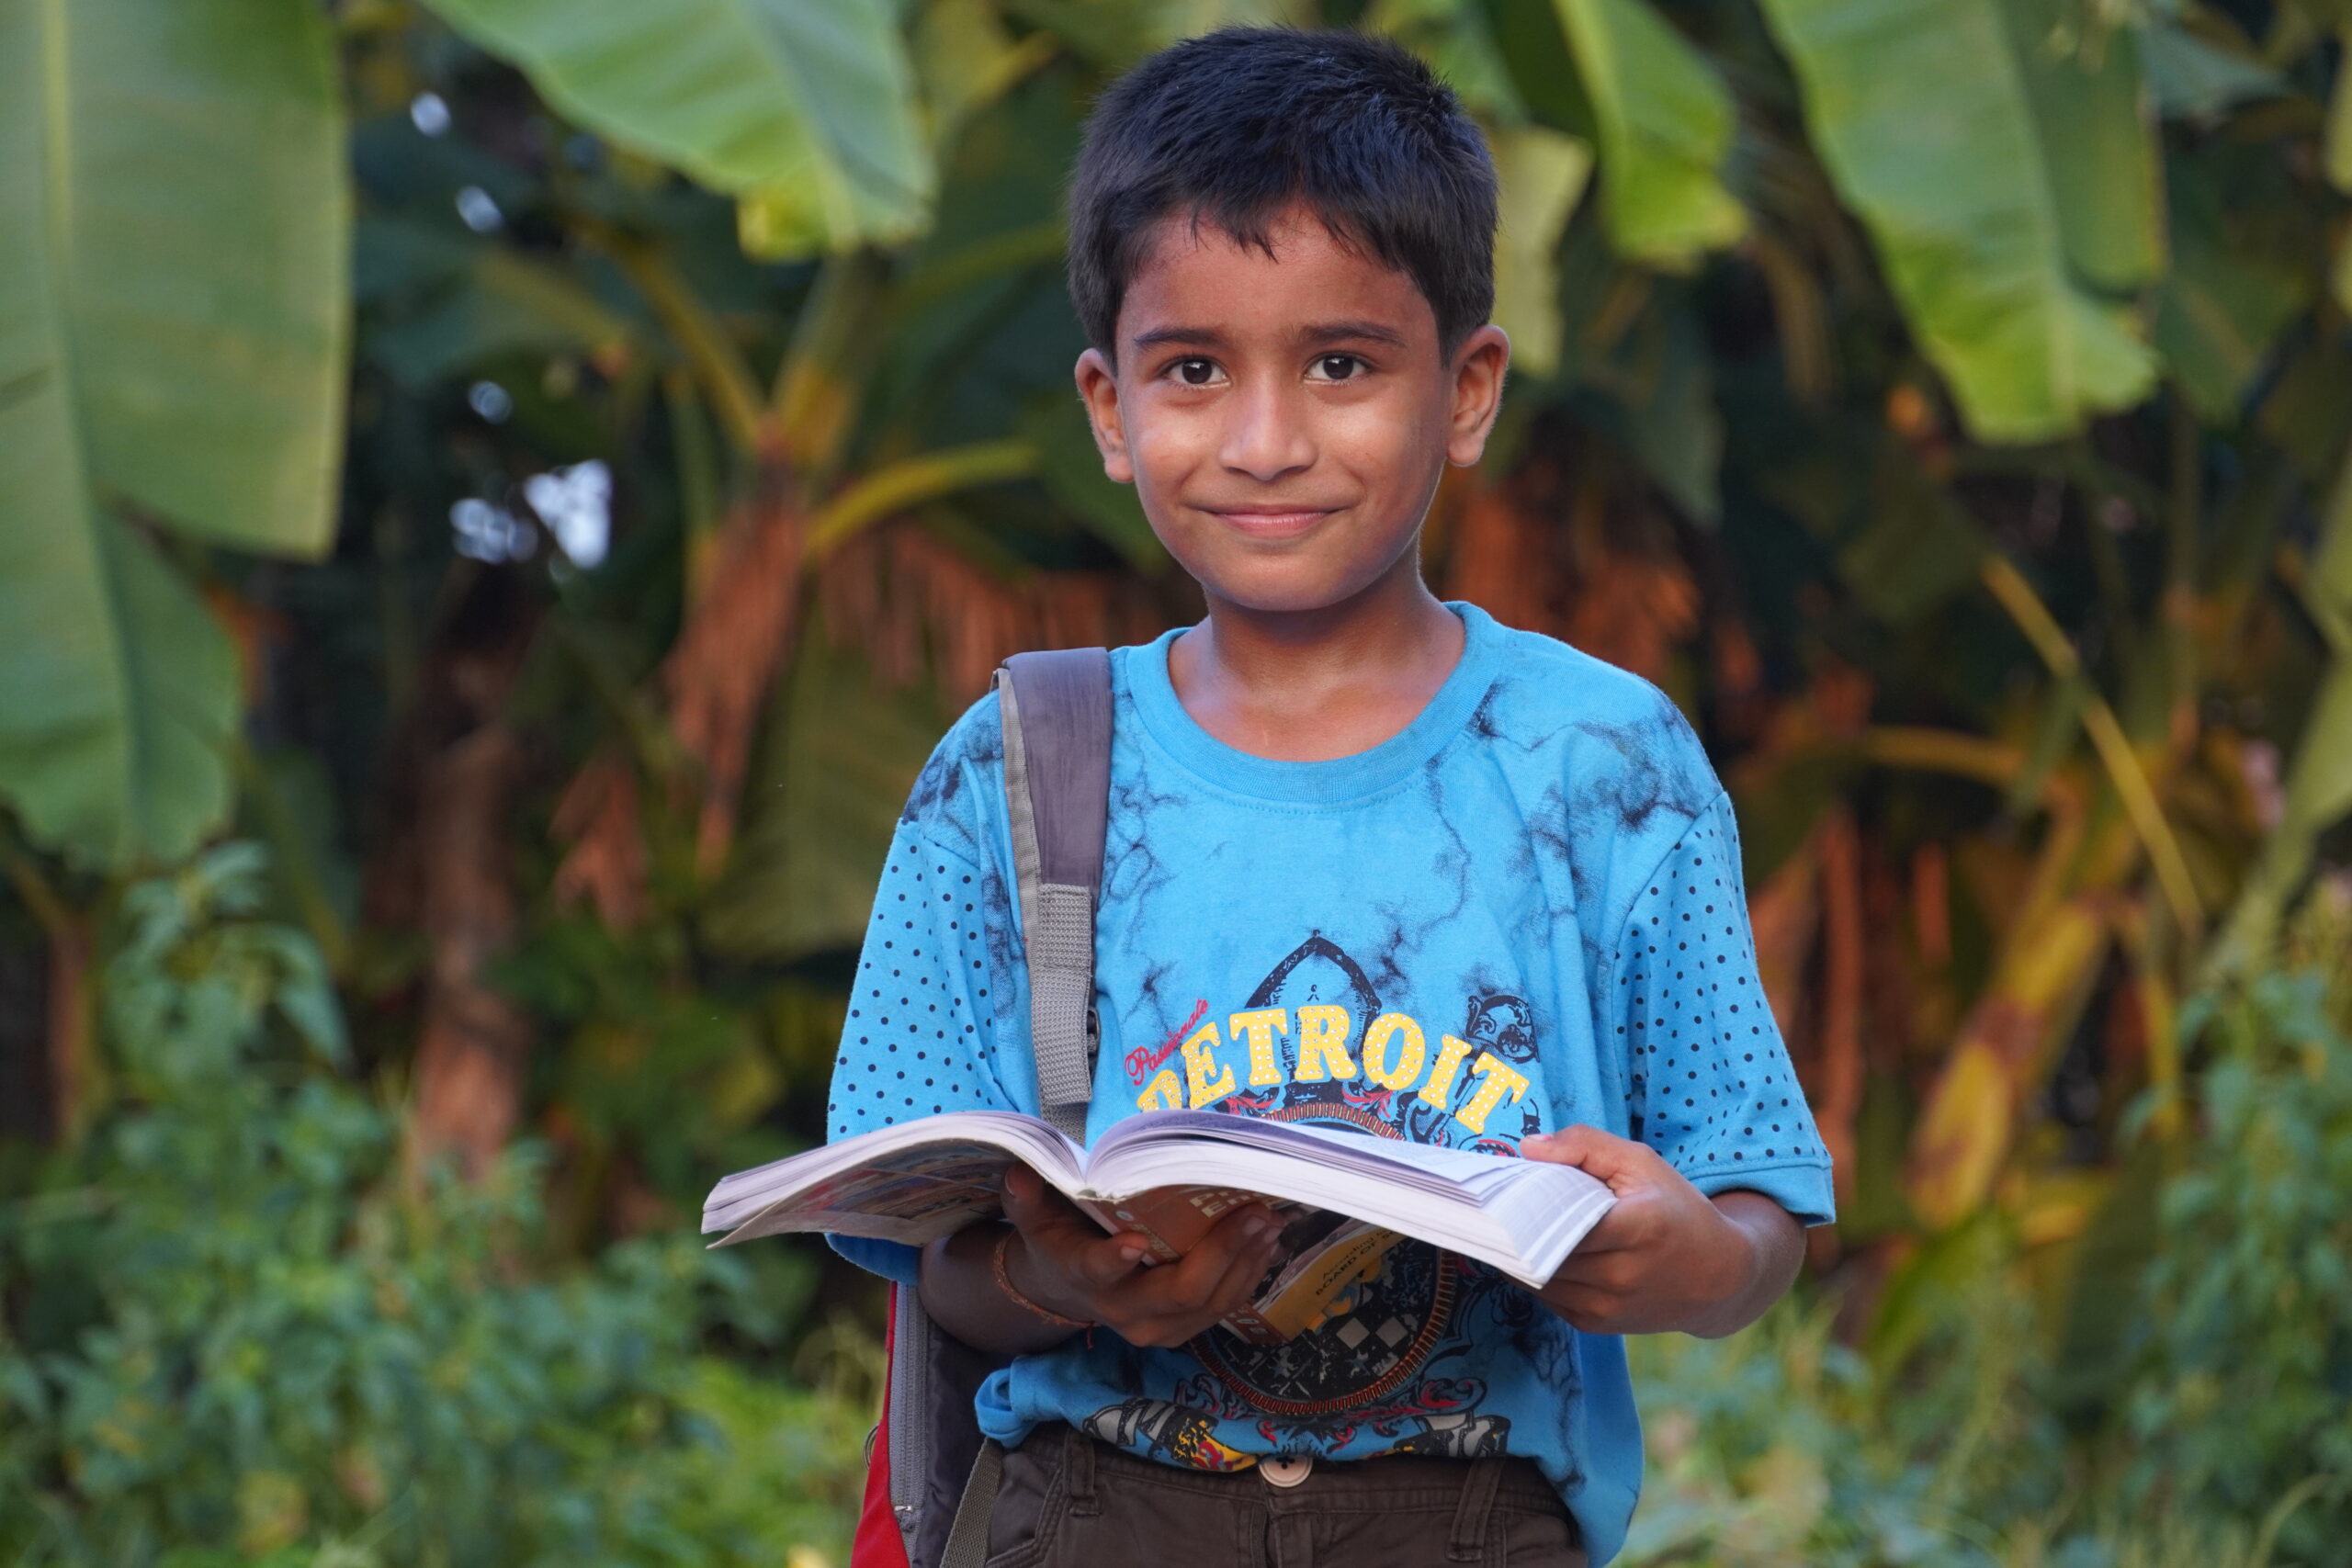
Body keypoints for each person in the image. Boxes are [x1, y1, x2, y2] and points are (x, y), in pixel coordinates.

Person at [824, 27, 1834, 1567]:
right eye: (1193, 370)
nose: (1267, 441)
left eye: (1343, 364)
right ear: (1109, 408)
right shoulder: (1013, 765)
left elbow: (1764, 1214)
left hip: (1471, 1520)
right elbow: (933, 1261)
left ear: (1469, 388)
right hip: (1090, 1513)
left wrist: (1687, 1262)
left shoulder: (1604, 765)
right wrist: (1072, 1283)